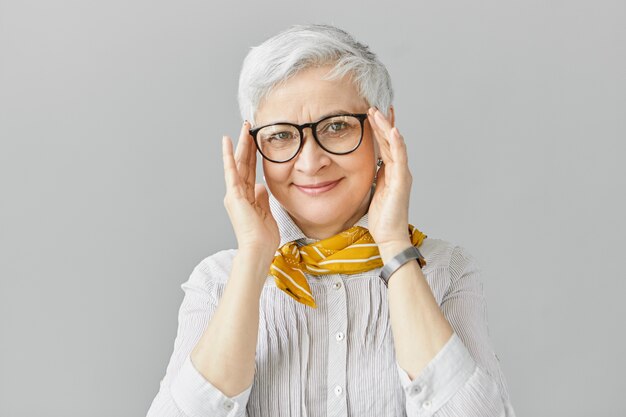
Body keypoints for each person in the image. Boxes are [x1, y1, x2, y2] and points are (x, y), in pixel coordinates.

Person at [146, 23, 516, 417]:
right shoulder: (217, 283)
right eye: (281, 136)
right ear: (257, 148)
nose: (310, 162)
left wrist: (392, 244)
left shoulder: (446, 271)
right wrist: (254, 260)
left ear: (382, 133)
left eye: (336, 127)